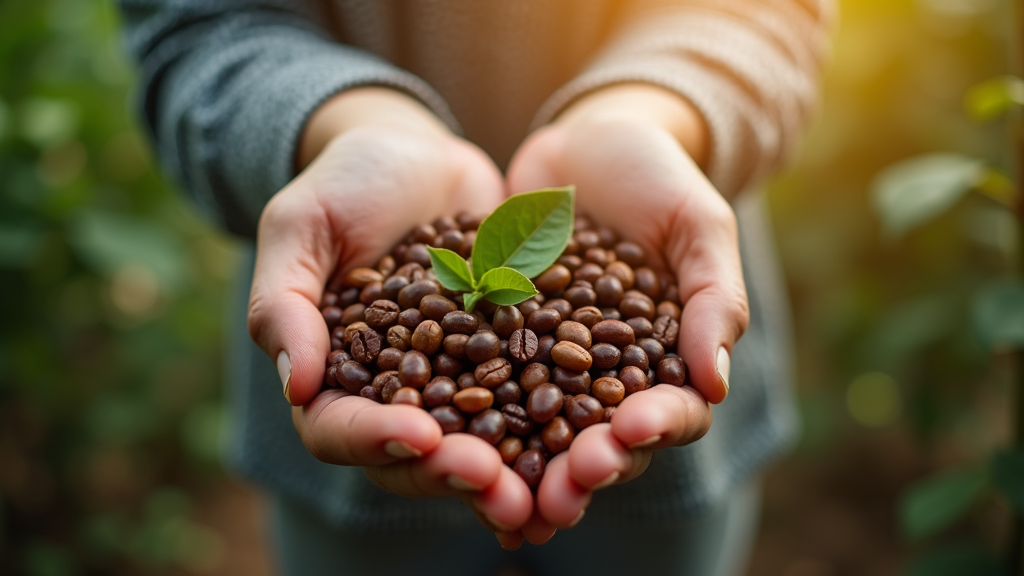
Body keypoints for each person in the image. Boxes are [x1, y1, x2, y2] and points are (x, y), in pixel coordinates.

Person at [119, 1, 833, 574]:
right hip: (350, 499)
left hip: (670, 483)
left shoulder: (579, 328)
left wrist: (650, 116)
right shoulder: (408, 322)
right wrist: (341, 128)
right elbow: (193, 25)